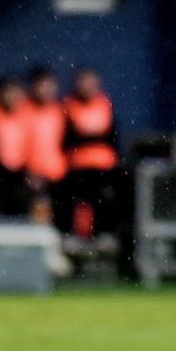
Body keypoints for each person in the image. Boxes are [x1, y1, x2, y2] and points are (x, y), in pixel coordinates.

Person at [63, 67, 121, 241]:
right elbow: (68, 138)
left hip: (104, 166)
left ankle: (103, 236)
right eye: (83, 81)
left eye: (91, 82)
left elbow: (112, 136)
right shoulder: (69, 106)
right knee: (78, 203)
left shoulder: (105, 105)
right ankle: (77, 236)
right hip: (78, 167)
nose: (87, 86)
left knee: (105, 201)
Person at [0, 75, 34, 218]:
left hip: (22, 173)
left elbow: (34, 147)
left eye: (15, 92)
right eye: (7, 92)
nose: (11, 97)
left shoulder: (28, 115)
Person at [24, 65, 69, 224]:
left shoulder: (62, 111)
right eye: (42, 85)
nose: (47, 90)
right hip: (30, 176)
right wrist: (28, 171)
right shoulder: (23, 110)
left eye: (50, 85)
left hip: (58, 174)